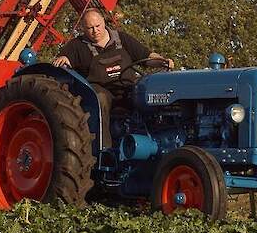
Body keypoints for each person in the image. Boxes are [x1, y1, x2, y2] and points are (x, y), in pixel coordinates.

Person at [53, 8, 173, 145]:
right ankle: (103, 148)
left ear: (103, 22)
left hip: (128, 87)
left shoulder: (122, 39)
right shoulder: (77, 45)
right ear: (83, 28)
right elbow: (64, 60)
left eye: (97, 26)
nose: (95, 30)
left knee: (149, 94)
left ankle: (152, 139)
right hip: (102, 90)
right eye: (90, 28)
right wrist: (64, 58)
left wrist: (162, 61)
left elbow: (147, 56)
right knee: (99, 98)